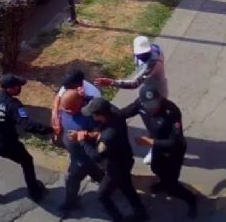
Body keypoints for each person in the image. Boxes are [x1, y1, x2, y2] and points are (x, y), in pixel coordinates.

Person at [119, 81, 198, 218]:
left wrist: (150, 142)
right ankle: (163, 183)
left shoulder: (171, 111)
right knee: (156, 168)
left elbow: (176, 142)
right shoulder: (140, 104)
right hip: (157, 147)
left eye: (156, 104)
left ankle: (191, 200)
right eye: (149, 105)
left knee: (172, 185)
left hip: (174, 151)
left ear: (160, 98)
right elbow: (123, 113)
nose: (153, 108)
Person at [78, 97, 148, 222]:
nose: (91, 117)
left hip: (116, 167)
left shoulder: (109, 136)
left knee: (102, 195)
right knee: (126, 187)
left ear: (99, 115)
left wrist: (83, 141)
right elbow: (105, 104)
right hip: (126, 158)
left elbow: (96, 155)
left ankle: (117, 218)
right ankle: (141, 212)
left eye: (92, 114)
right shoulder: (115, 113)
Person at [56, 89, 104, 215]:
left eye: (70, 109)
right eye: (65, 108)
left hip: (84, 155)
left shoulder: (89, 115)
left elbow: (99, 134)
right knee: (96, 172)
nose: (67, 111)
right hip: (75, 153)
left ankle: (70, 203)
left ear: (80, 103)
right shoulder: (65, 108)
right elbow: (60, 112)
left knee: (72, 177)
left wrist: (85, 135)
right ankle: (108, 182)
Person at [51, 69, 102, 137]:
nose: (66, 89)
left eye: (68, 87)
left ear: (78, 85)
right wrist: (55, 114)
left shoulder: (93, 93)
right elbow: (58, 97)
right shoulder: (68, 85)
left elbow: (98, 114)